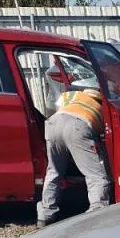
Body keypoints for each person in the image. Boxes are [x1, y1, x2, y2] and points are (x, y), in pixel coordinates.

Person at [38, 86, 111, 228]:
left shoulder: (74, 97)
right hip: (78, 127)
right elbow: (102, 135)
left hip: (53, 123)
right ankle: (98, 212)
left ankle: (46, 214)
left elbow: (55, 105)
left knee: (54, 171)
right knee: (96, 175)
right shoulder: (103, 105)